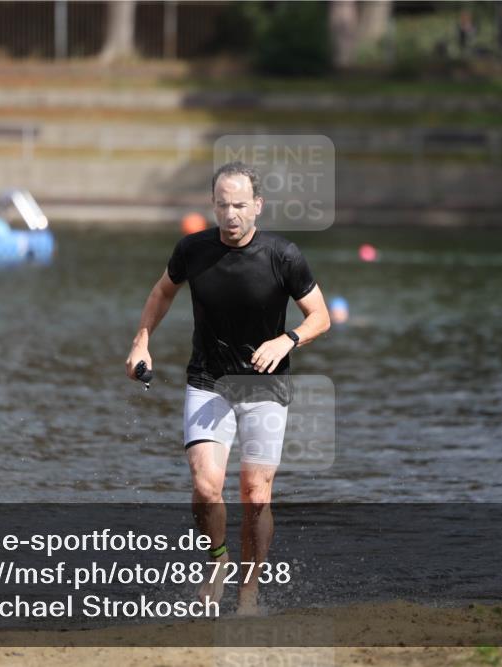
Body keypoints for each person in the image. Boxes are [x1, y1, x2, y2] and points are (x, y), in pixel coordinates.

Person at [125, 161, 330, 615]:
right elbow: (162, 292)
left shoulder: (284, 255)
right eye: (222, 205)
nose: (231, 214)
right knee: (205, 485)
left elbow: (321, 316)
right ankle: (217, 562)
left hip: (265, 386)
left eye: (240, 205)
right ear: (212, 206)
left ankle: (249, 590)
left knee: (256, 493)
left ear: (258, 206)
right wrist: (142, 341)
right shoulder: (192, 249)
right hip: (209, 380)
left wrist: (287, 339)